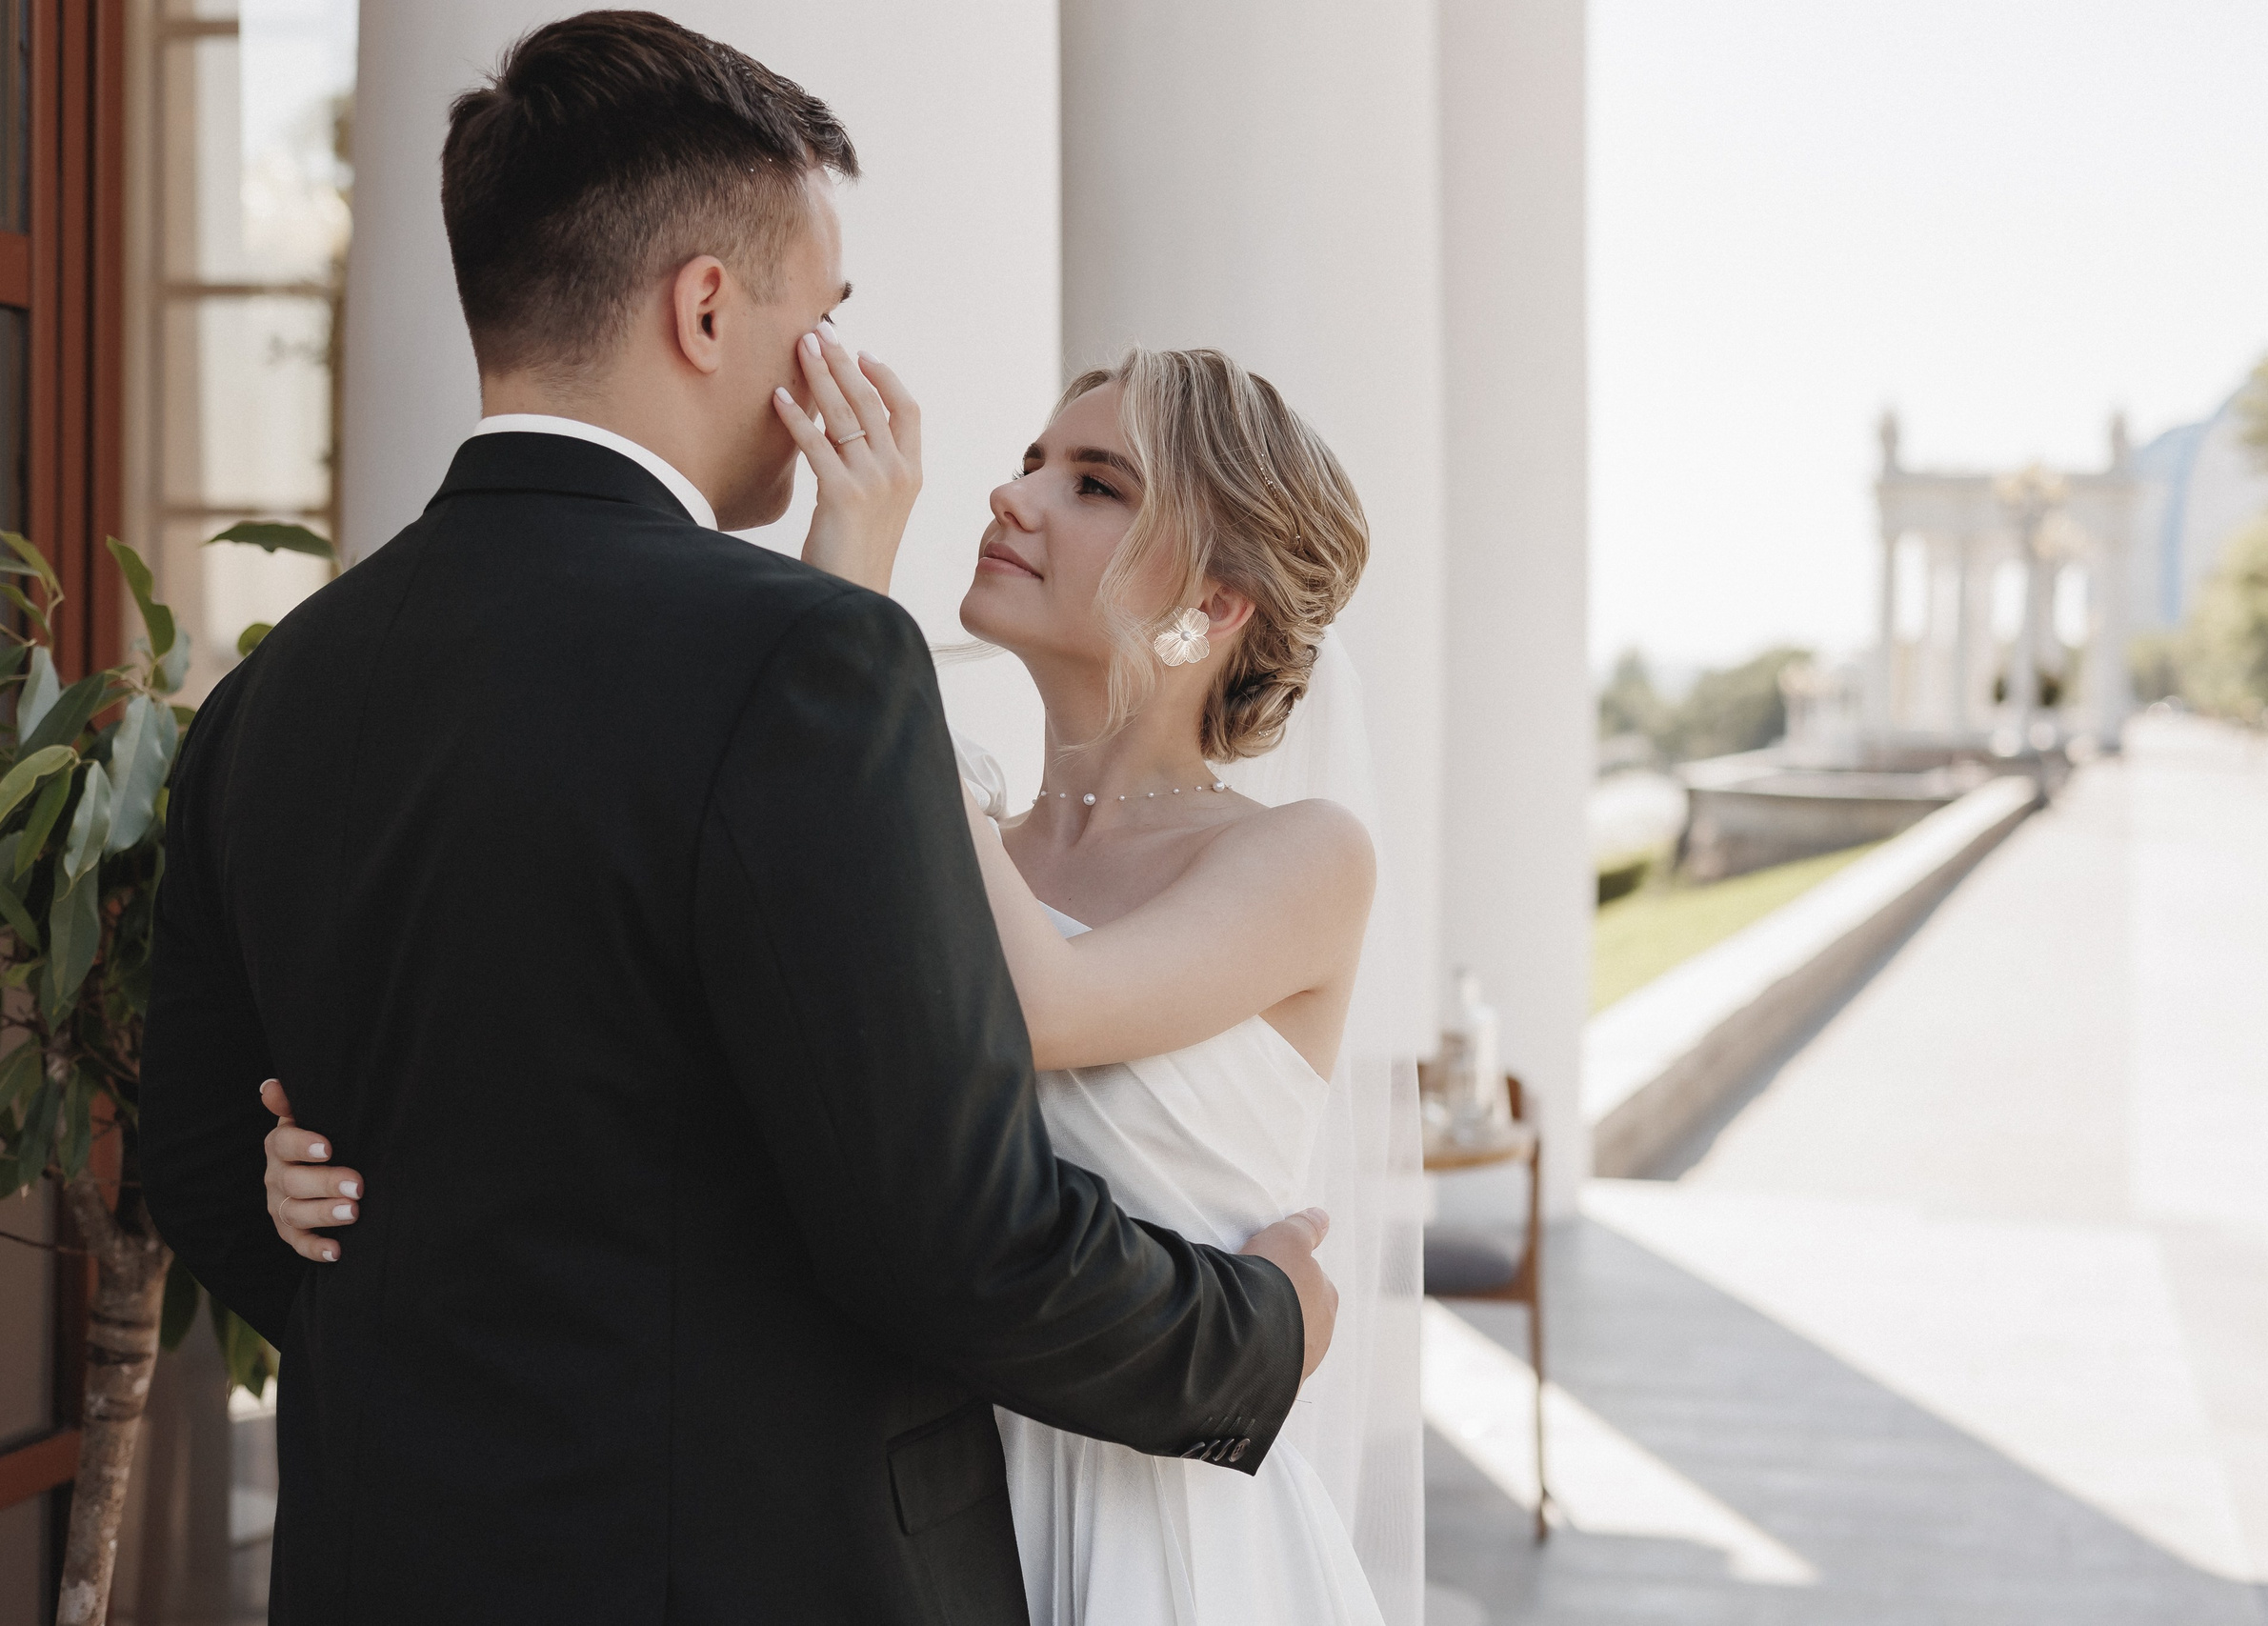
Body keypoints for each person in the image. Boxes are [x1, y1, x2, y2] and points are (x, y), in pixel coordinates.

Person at [139, 15, 1337, 1625]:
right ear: (708, 308)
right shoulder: (804, 661)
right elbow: (951, 1236)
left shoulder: (265, 704)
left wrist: (373, 1272)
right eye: (823, 316)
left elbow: (205, 1163)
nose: (839, 367)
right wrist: (1260, 1332)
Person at [265, 347, 1427, 1623]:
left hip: (1167, 1519)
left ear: (1213, 609)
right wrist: (343, 1150)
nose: (1014, 496)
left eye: (1095, 485)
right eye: (1035, 459)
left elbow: (1042, 1011)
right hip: (915, 1514)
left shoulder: (1302, 855)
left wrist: (857, 622)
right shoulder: (955, 818)